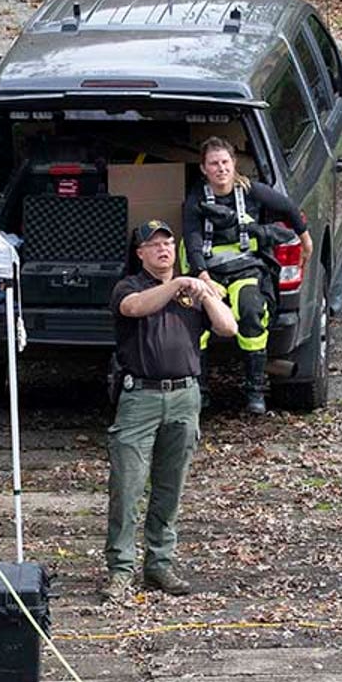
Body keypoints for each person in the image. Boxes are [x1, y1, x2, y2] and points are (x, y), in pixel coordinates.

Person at [104, 220, 237, 601]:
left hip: (184, 397)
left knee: (170, 486)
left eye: (168, 242)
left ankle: (159, 564)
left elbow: (228, 327)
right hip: (140, 398)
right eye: (154, 244)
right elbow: (133, 309)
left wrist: (206, 292)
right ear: (140, 253)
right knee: (127, 487)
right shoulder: (130, 286)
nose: (163, 249)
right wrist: (178, 285)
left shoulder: (192, 289)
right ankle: (120, 569)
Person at [179, 136, 312, 414]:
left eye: (225, 162)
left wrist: (305, 237)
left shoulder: (249, 191)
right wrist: (202, 276)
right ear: (204, 168)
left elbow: (287, 206)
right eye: (214, 164)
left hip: (246, 270)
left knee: (252, 311)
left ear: (233, 163)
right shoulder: (195, 199)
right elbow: (191, 237)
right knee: (196, 320)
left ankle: (254, 391)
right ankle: (200, 392)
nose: (221, 169)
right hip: (209, 273)